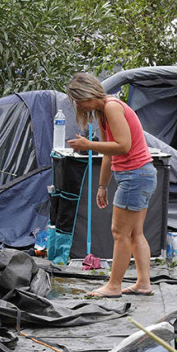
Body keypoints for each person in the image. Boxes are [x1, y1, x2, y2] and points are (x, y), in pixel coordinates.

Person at [65, 73, 157, 298]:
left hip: (135, 176)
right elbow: (108, 152)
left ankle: (114, 286)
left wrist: (88, 144)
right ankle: (144, 284)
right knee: (135, 233)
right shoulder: (103, 113)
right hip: (139, 175)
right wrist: (102, 186)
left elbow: (123, 146)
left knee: (120, 233)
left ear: (87, 94)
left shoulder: (112, 107)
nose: (78, 106)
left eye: (78, 101)